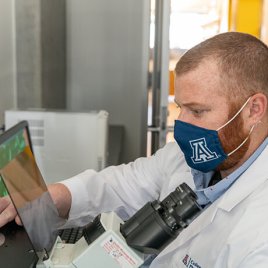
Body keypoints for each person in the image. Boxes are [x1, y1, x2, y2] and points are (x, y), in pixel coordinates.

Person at [1, 31, 268, 267]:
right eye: (180, 107)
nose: (182, 124)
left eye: (197, 111)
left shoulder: (260, 235)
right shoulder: (188, 159)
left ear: (254, 110)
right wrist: (54, 197)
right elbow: (121, 185)